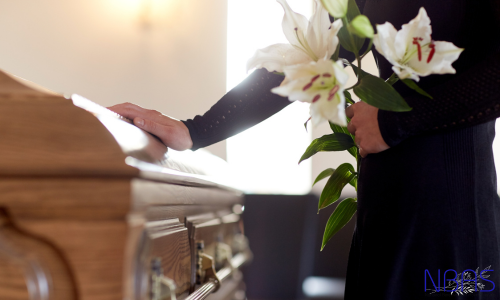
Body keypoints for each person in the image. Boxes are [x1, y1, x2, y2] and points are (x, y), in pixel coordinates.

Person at [109, 0, 500, 298]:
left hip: (453, 209)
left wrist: (397, 121)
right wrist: (196, 130)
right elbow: (308, 57)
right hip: (386, 204)